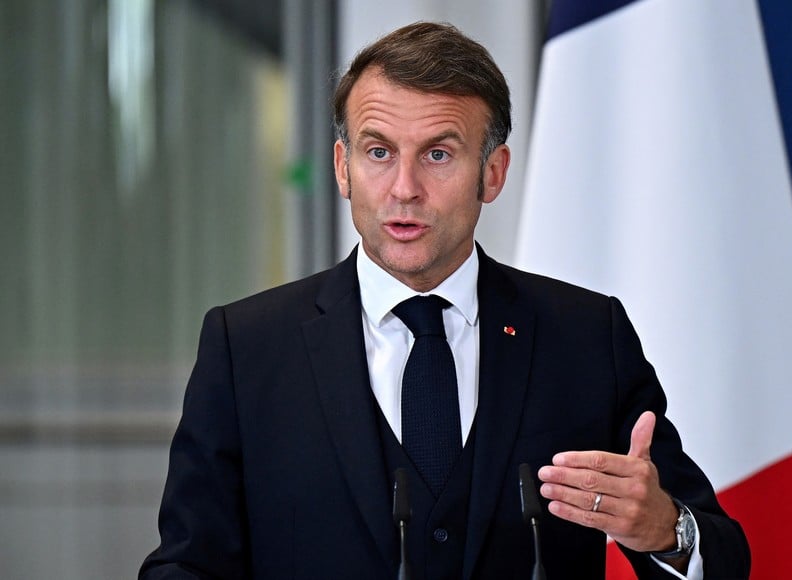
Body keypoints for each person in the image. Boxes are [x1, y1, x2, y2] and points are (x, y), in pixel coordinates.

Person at [140, 21, 750, 579]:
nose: (405, 189)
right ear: (342, 167)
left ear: (493, 172)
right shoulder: (247, 347)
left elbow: (724, 557)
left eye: (438, 154)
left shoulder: (587, 337)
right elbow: (187, 566)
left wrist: (667, 531)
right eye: (379, 152)